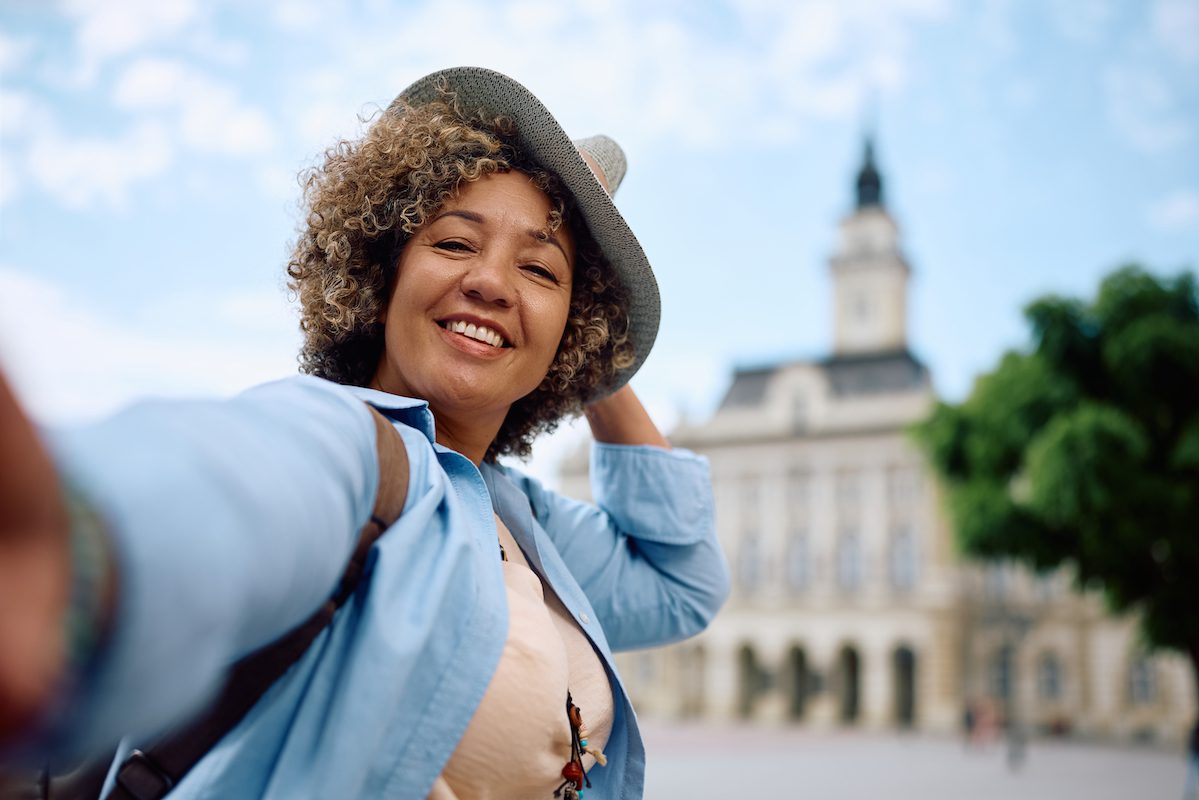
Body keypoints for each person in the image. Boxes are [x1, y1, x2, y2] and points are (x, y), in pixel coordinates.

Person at [0, 66, 730, 799]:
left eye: (539, 270)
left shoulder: (520, 519)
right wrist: (74, 554)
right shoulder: (351, 448)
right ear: (384, 273)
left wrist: (594, 344)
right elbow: (229, 493)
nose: (492, 282)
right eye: (455, 243)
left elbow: (681, 583)